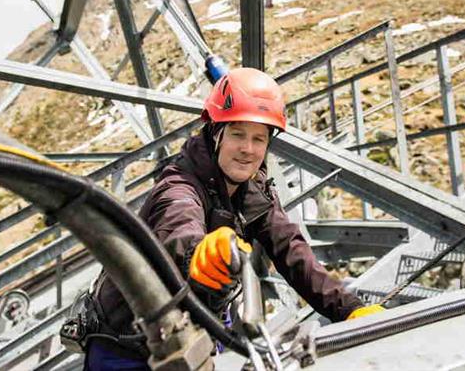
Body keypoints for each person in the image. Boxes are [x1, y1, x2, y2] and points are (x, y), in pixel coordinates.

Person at [86, 67, 384, 369]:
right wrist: (198, 252)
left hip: (191, 334)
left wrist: (349, 310)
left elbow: (293, 253)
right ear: (216, 133)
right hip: (126, 346)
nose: (248, 149)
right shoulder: (179, 187)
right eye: (238, 134)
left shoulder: (252, 190)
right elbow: (178, 229)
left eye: (259, 139)